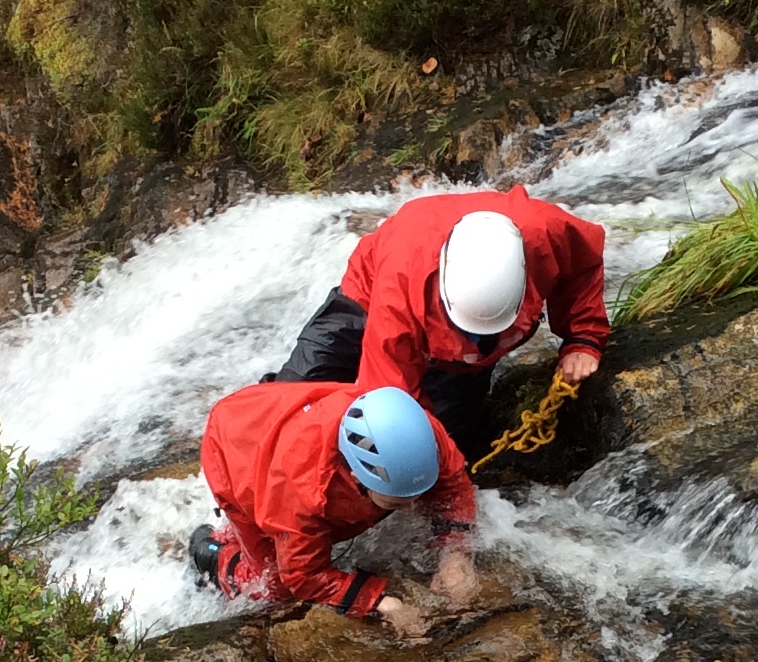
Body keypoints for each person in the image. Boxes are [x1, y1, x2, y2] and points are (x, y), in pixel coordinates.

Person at [271, 187, 609, 462]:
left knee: (448, 446)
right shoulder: (398, 291)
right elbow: (386, 397)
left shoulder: (546, 230)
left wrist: (583, 339)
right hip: (366, 294)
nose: (470, 336)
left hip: (467, 355)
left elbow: (583, 265)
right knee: (293, 398)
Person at [189, 382, 478, 638]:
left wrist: (455, 553)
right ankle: (214, 554)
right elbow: (302, 576)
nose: (412, 508)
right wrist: (380, 602)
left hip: (276, 419)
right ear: (356, 478)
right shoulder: (302, 492)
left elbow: (453, 486)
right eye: (396, 502)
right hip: (232, 450)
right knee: (272, 587)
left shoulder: (415, 434)